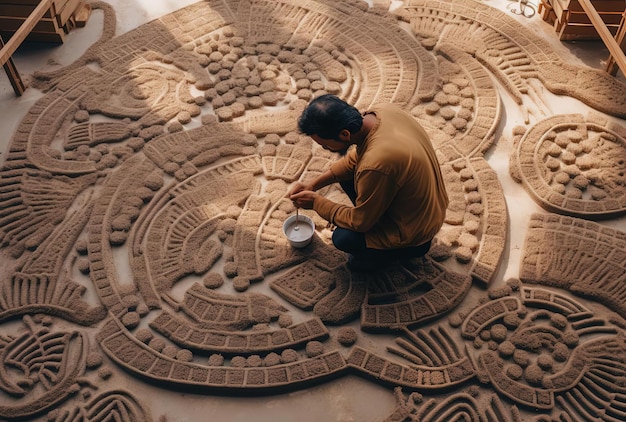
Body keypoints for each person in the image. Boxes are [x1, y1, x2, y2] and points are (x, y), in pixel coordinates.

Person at [289, 94, 449, 271]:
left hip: (415, 235)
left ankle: (388, 256)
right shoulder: (382, 112)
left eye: (325, 145)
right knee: (345, 175)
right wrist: (313, 184)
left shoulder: (376, 164)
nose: (324, 149)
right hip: (426, 211)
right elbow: (354, 160)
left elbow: (360, 222)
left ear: (344, 134)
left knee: (343, 238)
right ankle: (377, 221)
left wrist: (316, 203)